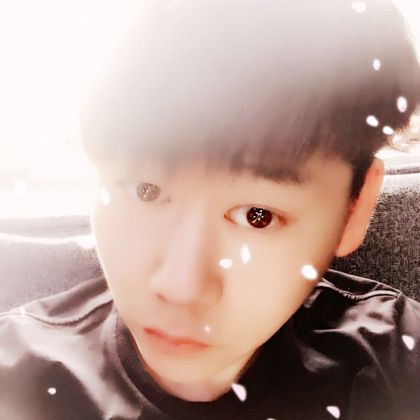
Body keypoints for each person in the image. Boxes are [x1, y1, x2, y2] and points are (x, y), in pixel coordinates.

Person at [1, 0, 420, 419]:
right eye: (145, 190)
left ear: (354, 210)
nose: (179, 287)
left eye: (257, 215)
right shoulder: (16, 381)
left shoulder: (398, 362)